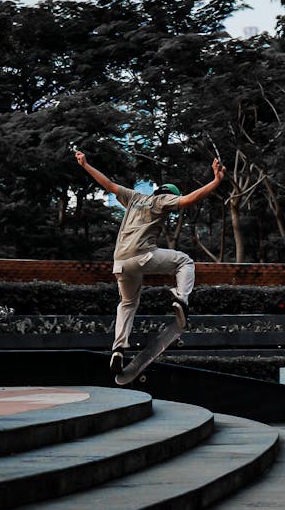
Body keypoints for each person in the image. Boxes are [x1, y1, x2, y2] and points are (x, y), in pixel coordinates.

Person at [75, 151, 225, 375]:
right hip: (143, 255)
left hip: (120, 262)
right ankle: (181, 299)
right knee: (184, 261)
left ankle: (118, 349)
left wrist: (85, 164)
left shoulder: (134, 197)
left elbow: (108, 184)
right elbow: (188, 200)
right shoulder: (163, 199)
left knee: (127, 303)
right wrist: (215, 181)